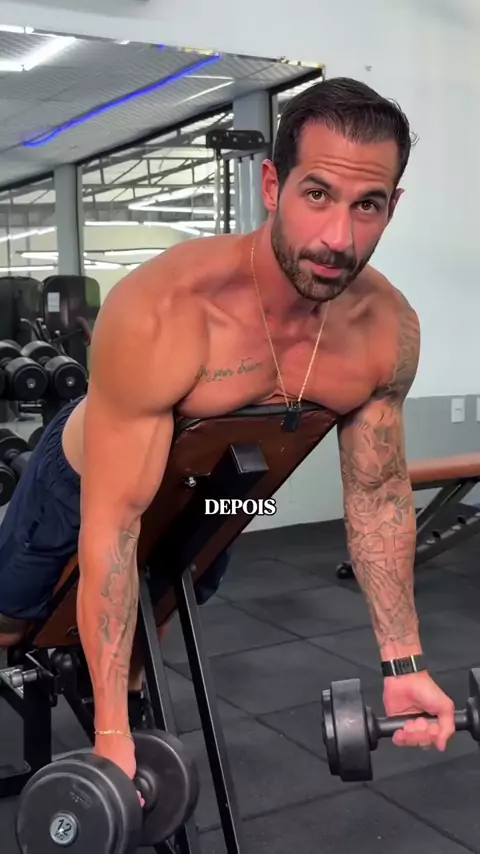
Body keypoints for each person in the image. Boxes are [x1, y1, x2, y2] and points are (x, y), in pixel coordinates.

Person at [0, 76, 455, 788]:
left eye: (366, 204)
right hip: (83, 483)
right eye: (317, 194)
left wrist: (404, 665)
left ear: (391, 206)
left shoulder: (384, 331)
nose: (338, 238)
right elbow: (113, 524)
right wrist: (111, 741)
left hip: (218, 490)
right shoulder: (165, 309)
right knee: (13, 625)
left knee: (161, 608)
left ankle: (119, 692)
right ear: (272, 185)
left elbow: (378, 497)